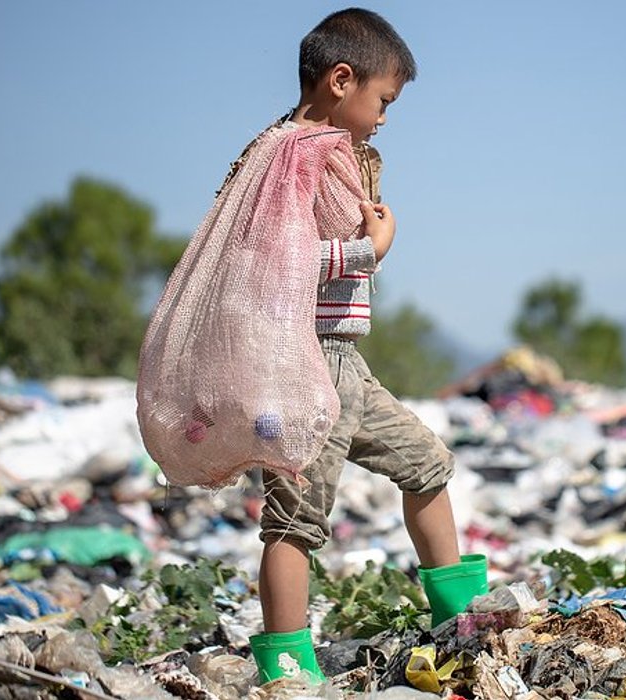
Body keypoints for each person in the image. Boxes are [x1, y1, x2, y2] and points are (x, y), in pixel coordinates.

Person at [244, 8, 487, 684]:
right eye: (382, 101)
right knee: (295, 520)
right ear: (341, 80)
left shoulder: (327, 154)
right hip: (303, 365)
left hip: (345, 361)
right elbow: (275, 261)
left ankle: (462, 625)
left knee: (427, 464)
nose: (383, 118)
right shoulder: (290, 156)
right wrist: (369, 249)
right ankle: (288, 670)